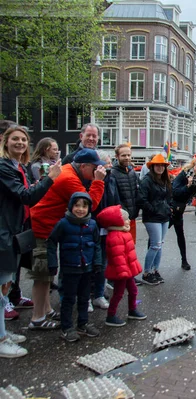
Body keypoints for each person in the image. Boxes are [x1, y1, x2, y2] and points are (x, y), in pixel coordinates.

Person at [0, 125, 61, 357]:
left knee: (4, 287)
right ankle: (1, 339)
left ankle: (3, 332)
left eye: (24, 140)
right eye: (15, 139)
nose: (20, 143)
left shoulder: (18, 167)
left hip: (13, 232)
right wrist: (49, 180)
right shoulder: (3, 167)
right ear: (6, 142)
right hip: (4, 233)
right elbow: (25, 197)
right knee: (1, 287)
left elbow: (27, 193)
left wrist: (38, 185)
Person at [30, 148, 106, 330]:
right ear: (84, 165)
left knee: (47, 275)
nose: (97, 171)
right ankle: (37, 318)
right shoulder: (69, 178)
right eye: (95, 168)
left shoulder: (67, 171)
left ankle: (46, 309)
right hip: (42, 227)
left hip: (47, 226)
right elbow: (89, 204)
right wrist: (98, 182)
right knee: (42, 274)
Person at [46, 192, 102, 342]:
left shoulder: (92, 224)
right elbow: (51, 242)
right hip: (70, 268)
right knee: (69, 299)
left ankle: (82, 323)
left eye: (84, 206)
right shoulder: (63, 224)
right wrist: (52, 263)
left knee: (84, 297)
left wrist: (97, 262)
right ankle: (67, 327)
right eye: (77, 205)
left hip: (87, 267)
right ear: (71, 206)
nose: (80, 209)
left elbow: (97, 244)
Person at [96, 205, 146, 327]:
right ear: (118, 221)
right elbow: (117, 257)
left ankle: (132, 310)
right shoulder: (115, 237)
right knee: (118, 293)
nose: (129, 221)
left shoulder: (123, 233)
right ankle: (111, 315)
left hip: (126, 270)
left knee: (133, 290)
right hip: (121, 272)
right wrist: (124, 271)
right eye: (126, 219)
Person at [89, 150, 121, 311]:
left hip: (106, 225)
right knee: (91, 263)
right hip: (94, 224)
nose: (110, 164)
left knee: (103, 262)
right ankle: (87, 296)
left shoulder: (111, 179)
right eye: (107, 162)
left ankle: (99, 294)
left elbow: (115, 199)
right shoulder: (92, 180)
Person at [138, 154, 172, 285]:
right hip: (152, 218)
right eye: (157, 165)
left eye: (162, 165)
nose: (160, 167)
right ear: (152, 167)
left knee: (160, 244)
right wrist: (153, 209)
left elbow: (169, 196)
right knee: (155, 245)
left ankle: (155, 270)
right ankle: (146, 273)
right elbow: (141, 200)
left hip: (164, 216)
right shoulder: (147, 181)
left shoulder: (165, 180)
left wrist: (170, 208)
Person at [171, 157, 196, 270]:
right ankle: (150, 266)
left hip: (180, 209)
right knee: (157, 238)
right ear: (192, 167)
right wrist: (188, 186)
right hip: (170, 208)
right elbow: (175, 192)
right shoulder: (183, 175)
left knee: (180, 235)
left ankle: (184, 261)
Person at [111, 144, 140, 243]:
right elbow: (114, 197)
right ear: (117, 156)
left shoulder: (132, 173)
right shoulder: (112, 174)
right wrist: (124, 214)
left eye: (128, 155)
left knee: (131, 246)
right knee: (121, 248)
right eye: (123, 155)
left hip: (132, 218)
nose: (127, 158)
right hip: (120, 219)